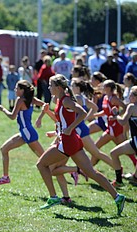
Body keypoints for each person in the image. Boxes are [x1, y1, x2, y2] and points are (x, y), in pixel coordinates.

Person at [36, 74, 125, 215]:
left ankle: (53, 197)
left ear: (58, 87)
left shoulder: (66, 101)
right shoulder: (59, 100)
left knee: (41, 165)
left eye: (50, 85)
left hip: (68, 142)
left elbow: (83, 113)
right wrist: (50, 119)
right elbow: (61, 121)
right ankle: (118, 197)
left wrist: (70, 128)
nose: (48, 87)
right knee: (91, 172)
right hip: (71, 140)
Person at [0, 80, 46, 185]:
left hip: (28, 134)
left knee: (44, 159)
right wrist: (40, 118)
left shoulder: (20, 100)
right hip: (25, 133)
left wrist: (3, 109)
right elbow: (45, 105)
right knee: (4, 149)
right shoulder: (31, 99)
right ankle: (5, 177)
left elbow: (12, 116)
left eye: (16, 88)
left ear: (22, 90)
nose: (15, 90)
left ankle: (73, 171)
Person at [91, 79, 137, 173]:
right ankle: (89, 168)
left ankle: (87, 169)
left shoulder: (114, 98)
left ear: (108, 88)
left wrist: (117, 116)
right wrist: (96, 115)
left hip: (115, 127)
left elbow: (124, 107)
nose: (102, 88)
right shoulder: (105, 98)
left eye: (104, 86)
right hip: (110, 127)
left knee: (96, 147)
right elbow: (106, 111)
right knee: (128, 150)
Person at [110, 85, 137, 186]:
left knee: (113, 153)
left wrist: (116, 115)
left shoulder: (132, 106)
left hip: (135, 140)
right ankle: (135, 178)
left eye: (131, 95)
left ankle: (118, 181)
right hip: (134, 140)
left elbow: (122, 122)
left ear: (135, 97)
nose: (129, 98)